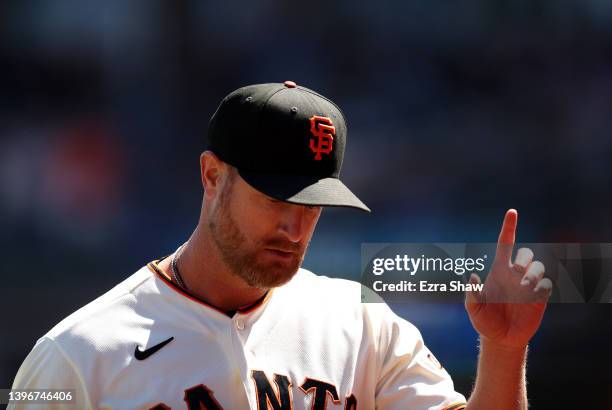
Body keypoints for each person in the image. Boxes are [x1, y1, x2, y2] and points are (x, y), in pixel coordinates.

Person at [10, 81, 552, 410]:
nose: (295, 228)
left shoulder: (364, 325)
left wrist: (504, 351)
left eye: (312, 205)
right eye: (275, 198)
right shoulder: (76, 355)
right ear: (212, 176)